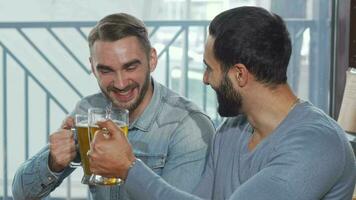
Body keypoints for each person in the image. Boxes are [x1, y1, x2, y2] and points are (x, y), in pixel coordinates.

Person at [88, 6, 356, 200]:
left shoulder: (317, 144)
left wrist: (128, 168)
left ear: (239, 74)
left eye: (209, 68)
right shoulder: (230, 133)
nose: (205, 80)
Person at [12, 13, 215, 200]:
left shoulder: (188, 126)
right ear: (93, 67)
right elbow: (21, 193)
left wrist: (129, 168)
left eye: (130, 67)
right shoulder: (88, 110)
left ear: (152, 60)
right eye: (106, 70)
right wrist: (52, 163)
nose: (120, 83)